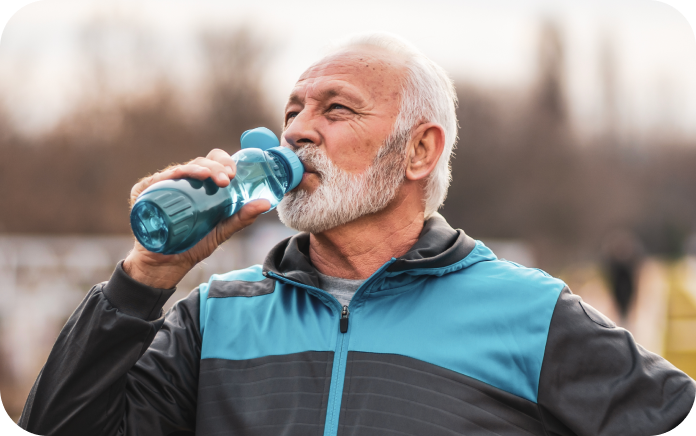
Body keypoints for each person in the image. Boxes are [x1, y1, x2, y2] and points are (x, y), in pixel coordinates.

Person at [18, 32, 694, 436]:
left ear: (419, 152)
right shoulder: (213, 317)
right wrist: (145, 276)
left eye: (335, 109)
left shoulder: (530, 314)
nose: (298, 130)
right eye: (293, 111)